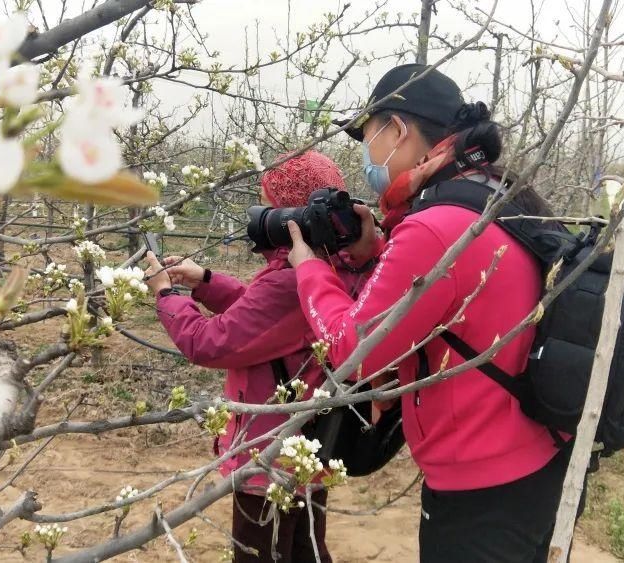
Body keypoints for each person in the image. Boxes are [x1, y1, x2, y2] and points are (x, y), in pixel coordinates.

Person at [287, 64, 576, 563]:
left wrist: (310, 270)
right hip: (536, 459)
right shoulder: (492, 193)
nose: (368, 155)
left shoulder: (434, 227)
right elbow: (455, 296)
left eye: (368, 137)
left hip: (481, 488)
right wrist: (379, 250)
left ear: (397, 130)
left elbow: (351, 351)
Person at [144, 151, 370, 563]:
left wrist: (165, 295)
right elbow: (264, 320)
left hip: (268, 457)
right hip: (308, 448)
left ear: (295, 216)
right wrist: (207, 282)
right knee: (306, 551)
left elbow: (209, 342)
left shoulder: (291, 279)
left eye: (268, 205)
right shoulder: (330, 266)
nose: (260, 217)